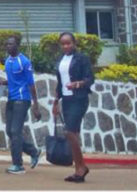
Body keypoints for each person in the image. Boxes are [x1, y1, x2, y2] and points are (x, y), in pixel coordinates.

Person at [0, 35, 41, 175]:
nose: (8, 46)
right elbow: (14, 80)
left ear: (17, 45)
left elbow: (30, 83)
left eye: (11, 44)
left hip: (22, 99)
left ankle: (18, 165)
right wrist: (3, 82)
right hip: (11, 99)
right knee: (10, 131)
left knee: (15, 131)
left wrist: (36, 105)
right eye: (7, 44)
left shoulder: (24, 61)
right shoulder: (8, 61)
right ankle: (33, 152)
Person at [52, 32, 94, 184]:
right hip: (67, 100)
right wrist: (56, 102)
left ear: (74, 43)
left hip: (79, 99)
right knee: (73, 133)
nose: (66, 46)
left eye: (68, 43)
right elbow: (60, 83)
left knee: (69, 132)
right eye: (63, 44)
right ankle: (79, 170)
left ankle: (81, 167)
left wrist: (78, 84)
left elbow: (90, 79)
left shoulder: (81, 58)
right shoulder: (60, 60)